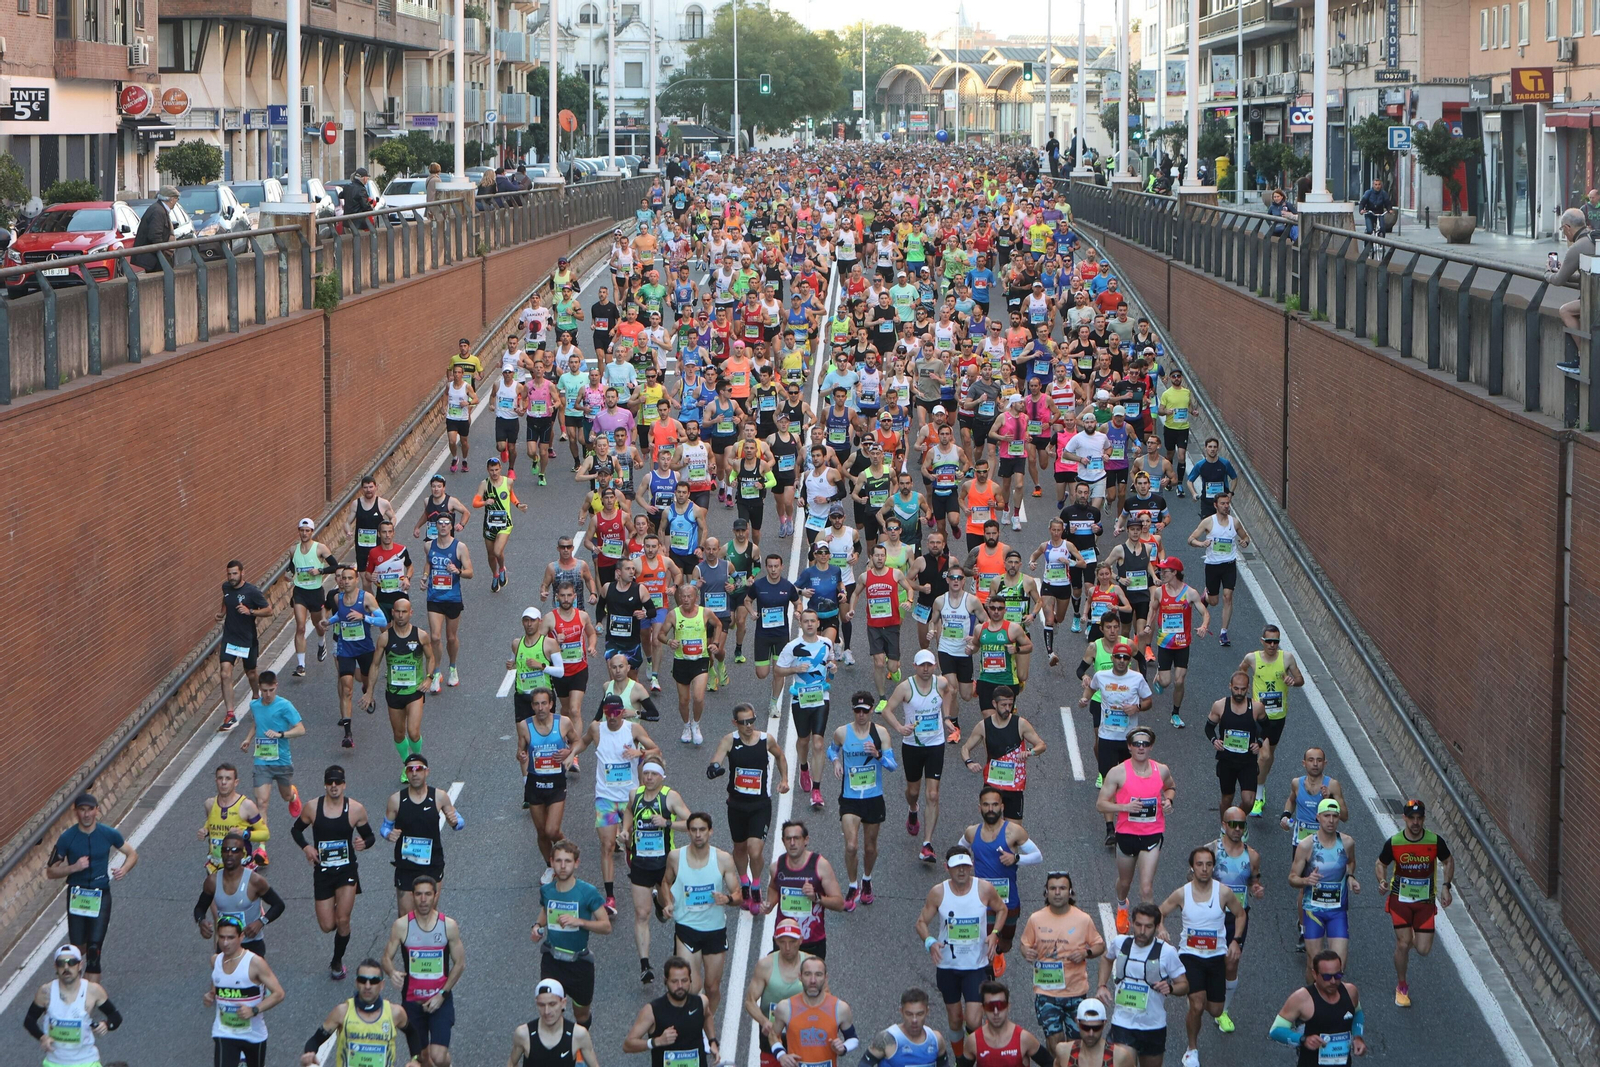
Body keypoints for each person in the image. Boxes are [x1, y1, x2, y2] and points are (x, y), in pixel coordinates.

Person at [1155, 847, 1247, 1067]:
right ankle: (1191, 1049)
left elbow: (1240, 914)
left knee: (1214, 1009)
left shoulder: (1223, 892)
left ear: (1213, 867)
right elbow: (1160, 912)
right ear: (1192, 867)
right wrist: (1161, 927)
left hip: (1216, 957)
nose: (1204, 869)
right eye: (1199, 864)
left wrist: (1236, 941)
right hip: (1190, 955)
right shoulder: (1182, 893)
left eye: (1208, 864)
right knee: (1196, 1005)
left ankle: (1210, 1007)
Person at [291, 764, 376, 979]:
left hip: (346, 870)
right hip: (323, 872)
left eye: (338, 782)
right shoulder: (312, 808)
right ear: (325, 785)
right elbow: (296, 830)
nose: (334, 786)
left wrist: (364, 843)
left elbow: (370, 836)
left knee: (343, 920)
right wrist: (307, 847)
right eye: (330, 782)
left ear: (344, 785)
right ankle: (336, 907)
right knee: (327, 925)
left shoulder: (356, 809)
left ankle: (337, 961)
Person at [46, 794, 138, 985]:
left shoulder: (108, 833)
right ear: (76, 812)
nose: (86, 814)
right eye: (82, 810)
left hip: (100, 894)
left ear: (97, 810)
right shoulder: (67, 838)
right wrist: (74, 868)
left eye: (90, 809)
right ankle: (75, 988)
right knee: (78, 950)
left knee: (94, 950)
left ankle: (87, 998)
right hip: (77, 895)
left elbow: (131, 853)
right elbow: (50, 871)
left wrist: (124, 869)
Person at [916, 845, 1009, 1034]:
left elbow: (1002, 909)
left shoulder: (984, 889)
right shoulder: (938, 892)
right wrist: (930, 942)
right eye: (957, 867)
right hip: (947, 966)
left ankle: (974, 1054)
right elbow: (921, 923)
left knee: (974, 1021)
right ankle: (961, 1059)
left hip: (976, 965)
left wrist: (995, 933)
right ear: (946, 867)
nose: (961, 871)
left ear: (971, 866)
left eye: (965, 866)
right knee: (956, 1020)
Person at [707, 702, 790, 912]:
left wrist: (785, 779)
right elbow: (715, 760)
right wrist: (714, 769)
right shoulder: (729, 740)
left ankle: (755, 886)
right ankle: (744, 883)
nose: (749, 726)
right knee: (740, 848)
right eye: (744, 722)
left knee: (755, 849)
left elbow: (780, 756)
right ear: (735, 723)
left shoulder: (765, 740)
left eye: (752, 720)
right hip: (736, 804)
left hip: (760, 804)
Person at [661, 811, 742, 1020]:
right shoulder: (676, 857)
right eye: (694, 830)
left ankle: (707, 1021)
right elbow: (665, 882)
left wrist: (728, 899)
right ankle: (690, 1024)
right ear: (688, 832)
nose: (698, 834)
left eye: (702, 830)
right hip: (686, 929)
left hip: (714, 929)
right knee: (692, 985)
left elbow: (738, 894)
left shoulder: (723, 859)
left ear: (710, 831)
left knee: (712, 987)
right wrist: (669, 902)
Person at [1374, 799, 1453, 1008]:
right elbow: (1380, 863)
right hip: (1400, 900)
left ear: (1424, 819)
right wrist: (1382, 881)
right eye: (1412, 819)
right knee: (1402, 943)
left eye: (1419, 818)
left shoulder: (1435, 841)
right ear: (1405, 819)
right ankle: (1402, 987)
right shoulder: (1395, 842)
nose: (1416, 823)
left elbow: (1448, 860)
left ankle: (1412, 935)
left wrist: (1446, 886)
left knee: (1423, 950)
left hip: (1425, 901)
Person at [1096, 727, 1175, 935]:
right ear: (1129, 747)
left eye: (1145, 744)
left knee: (1146, 887)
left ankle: (1156, 926)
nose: (1141, 747)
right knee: (1124, 882)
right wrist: (1124, 808)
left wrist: (1168, 801)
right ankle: (1122, 905)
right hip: (1127, 835)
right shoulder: (1118, 772)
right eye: (1137, 744)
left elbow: (1170, 788)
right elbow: (1101, 805)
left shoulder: (1162, 770)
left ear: (1151, 747)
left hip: (1152, 833)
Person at [879, 650, 957, 863]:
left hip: (935, 744)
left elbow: (950, 691)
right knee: (913, 791)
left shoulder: (940, 683)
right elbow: (887, 710)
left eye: (929, 665)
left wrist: (947, 717)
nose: (925, 669)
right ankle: (913, 809)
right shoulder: (905, 687)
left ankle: (927, 844)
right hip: (912, 745)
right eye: (922, 665)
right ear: (914, 666)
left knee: (932, 794)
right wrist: (899, 727)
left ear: (934, 666)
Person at [381, 875, 465, 1067]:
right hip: (412, 1002)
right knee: (423, 1058)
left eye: (428, 894)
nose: (423, 899)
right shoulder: (402, 925)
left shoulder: (448, 926)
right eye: (419, 894)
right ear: (413, 896)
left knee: (439, 1056)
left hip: (439, 1001)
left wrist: (442, 995)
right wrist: (392, 972)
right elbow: (386, 957)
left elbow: (459, 963)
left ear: (435, 896)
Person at [1018, 871, 1105, 1052]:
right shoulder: (1036, 919)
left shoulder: (1082, 919)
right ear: (1046, 892)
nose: (1057, 893)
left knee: (1075, 1046)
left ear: (1070, 892)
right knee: (1055, 1043)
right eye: (1053, 888)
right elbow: (1024, 944)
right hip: (1046, 992)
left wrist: (1085, 953)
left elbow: (1099, 945)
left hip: (1075, 992)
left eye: (1062, 888)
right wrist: (1027, 952)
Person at [962, 787, 1044, 977]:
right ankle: (985, 974)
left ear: (1002, 807)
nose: (990, 809)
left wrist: (1016, 859)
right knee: (984, 941)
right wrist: (962, 864)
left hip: (1009, 901)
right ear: (980, 808)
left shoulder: (1013, 831)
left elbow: (1037, 856)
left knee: (1006, 941)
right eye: (986, 805)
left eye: (995, 804)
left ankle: (999, 952)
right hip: (982, 902)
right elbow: (959, 850)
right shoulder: (972, 832)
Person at [621, 759, 690, 984]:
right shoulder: (635, 794)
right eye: (646, 773)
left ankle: (660, 903)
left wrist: (667, 823)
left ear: (662, 776)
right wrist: (624, 830)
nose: (649, 777)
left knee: (667, 907)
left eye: (653, 774)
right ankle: (645, 965)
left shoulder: (670, 797)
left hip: (664, 864)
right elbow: (629, 812)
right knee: (642, 914)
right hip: (640, 862)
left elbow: (691, 822)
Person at [530, 840, 612, 1026]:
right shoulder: (547, 890)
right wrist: (536, 926)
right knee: (550, 1010)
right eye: (558, 861)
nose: (563, 866)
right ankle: (558, 1049)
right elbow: (545, 910)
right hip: (551, 960)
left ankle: (581, 1048)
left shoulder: (588, 892)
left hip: (579, 964)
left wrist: (580, 922)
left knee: (581, 1015)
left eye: (568, 861)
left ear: (576, 863)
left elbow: (606, 926)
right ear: (551, 862)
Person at [829, 694, 899, 908]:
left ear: (871, 711)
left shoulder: (881, 733)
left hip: (873, 797)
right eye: (857, 710)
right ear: (853, 710)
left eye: (865, 711)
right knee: (851, 846)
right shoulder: (842, 732)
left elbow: (892, 765)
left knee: (870, 847)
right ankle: (852, 885)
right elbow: (832, 750)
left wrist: (877, 755)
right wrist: (836, 762)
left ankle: (866, 880)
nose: (861, 715)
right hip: (850, 798)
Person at [1096, 903, 1187, 1067]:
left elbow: (1184, 985)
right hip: (1122, 1023)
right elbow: (1106, 958)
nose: (1142, 931)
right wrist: (1101, 985)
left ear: (1156, 927)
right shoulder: (1120, 943)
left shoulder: (1167, 952)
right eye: (1138, 925)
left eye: (1148, 926)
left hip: (1153, 1026)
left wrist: (1171, 988)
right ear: (1132, 923)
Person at [1289, 799, 1360, 982]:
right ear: (1318, 817)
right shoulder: (1306, 846)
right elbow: (1292, 878)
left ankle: (1332, 1005)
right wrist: (1306, 880)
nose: (1331, 820)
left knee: (1339, 966)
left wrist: (1350, 876)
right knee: (1315, 964)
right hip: (1313, 911)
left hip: (1337, 912)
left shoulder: (1347, 842)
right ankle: (1312, 999)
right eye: (1327, 816)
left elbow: (1350, 862)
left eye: (1335, 816)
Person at [384, 755, 463, 917]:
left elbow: (458, 821)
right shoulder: (396, 800)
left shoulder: (439, 796)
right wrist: (388, 834)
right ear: (406, 773)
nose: (414, 773)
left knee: (427, 913)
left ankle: (428, 942)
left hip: (432, 862)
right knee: (406, 916)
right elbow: (385, 827)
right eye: (410, 770)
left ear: (427, 772)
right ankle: (407, 943)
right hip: (406, 864)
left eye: (418, 769)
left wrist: (454, 822)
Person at [1237, 625, 1304, 817]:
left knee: (1268, 755)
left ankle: (1261, 783)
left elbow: (1300, 679)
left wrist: (1293, 681)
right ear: (1262, 641)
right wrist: (1246, 693)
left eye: (1276, 641)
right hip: (1259, 715)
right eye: (1269, 641)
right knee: (1264, 755)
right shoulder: (1252, 658)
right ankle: (1257, 796)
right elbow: (1240, 673)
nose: (1273, 645)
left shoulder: (1287, 658)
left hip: (1278, 716)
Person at [300, 961, 420, 1067]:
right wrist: (310, 1053)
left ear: (382, 985)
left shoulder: (395, 1013)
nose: (367, 986)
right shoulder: (342, 1012)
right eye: (363, 980)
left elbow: (412, 1033)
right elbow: (315, 1040)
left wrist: (415, 1060)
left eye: (373, 981)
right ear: (357, 983)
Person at [203, 916, 285, 1067]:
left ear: (241, 937)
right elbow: (218, 983)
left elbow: (278, 993)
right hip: (224, 1032)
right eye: (222, 937)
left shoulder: (255, 963)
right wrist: (211, 995)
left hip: (253, 1034)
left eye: (231, 937)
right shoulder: (215, 960)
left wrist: (254, 1010)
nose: (225, 943)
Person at [366, 597, 435, 774]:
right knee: (398, 734)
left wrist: (429, 678)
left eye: (404, 612)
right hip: (394, 693)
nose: (401, 615)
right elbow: (375, 665)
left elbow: (430, 657)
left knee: (412, 732)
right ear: (392, 613)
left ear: (411, 613)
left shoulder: (421, 635)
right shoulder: (384, 638)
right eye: (397, 611)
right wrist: (369, 692)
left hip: (415, 692)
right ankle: (407, 764)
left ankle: (417, 762)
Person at [24, 944, 122, 1067]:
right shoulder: (46, 992)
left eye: (71, 962)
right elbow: (29, 1020)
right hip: (55, 1063)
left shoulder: (93, 991)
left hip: (86, 1061)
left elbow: (115, 1016)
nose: (66, 967)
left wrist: (106, 1025)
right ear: (56, 967)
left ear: (80, 965)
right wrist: (42, 1037)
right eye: (61, 963)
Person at [1209, 808, 1263, 1032]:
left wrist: (1257, 888)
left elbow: (1254, 880)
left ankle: (1223, 1011)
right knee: (1210, 962)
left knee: (1231, 962)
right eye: (1233, 824)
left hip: (1238, 916)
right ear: (1224, 824)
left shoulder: (1252, 855)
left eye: (1242, 825)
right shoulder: (1211, 850)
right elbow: (1192, 878)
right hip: (1212, 916)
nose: (1238, 829)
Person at [194, 830, 286, 959]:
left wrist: (260, 922)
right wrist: (201, 921)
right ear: (221, 853)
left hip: (252, 945)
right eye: (226, 850)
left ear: (242, 854)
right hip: (225, 946)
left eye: (234, 850)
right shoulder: (212, 881)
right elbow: (199, 908)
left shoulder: (255, 881)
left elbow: (278, 905)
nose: (230, 854)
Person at [1267, 951, 1368, 1067]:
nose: (1333, 981)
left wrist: (1357, 1036)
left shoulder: (1350, 992)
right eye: (1327, 977)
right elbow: (1275, 1030)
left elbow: (1357, 1013)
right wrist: (1302, 1039)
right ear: (1315, 974)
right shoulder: (1302, 998)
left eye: (1338, 975)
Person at [960, 688, 1047, 820]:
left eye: (1010, 705)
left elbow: (1041, 745)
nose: (1007, 709)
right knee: (991, 827)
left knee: (1013, 832)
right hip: (992, 784)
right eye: (1003, 705)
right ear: (994, 704)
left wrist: (1030, 752)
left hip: (1014, 786)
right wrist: (969, 762)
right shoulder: (984, 726)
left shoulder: (1020, 724)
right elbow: (965, 748)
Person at [622, 956, 719, 1067]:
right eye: (674, 981)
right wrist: (656, 1042)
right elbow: (628, 1044)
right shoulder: (652, 1010)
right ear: (665, 981)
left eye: (684, 980)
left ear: (690, 980)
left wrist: (712, 1041)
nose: (680, 986)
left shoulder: (701, 1002)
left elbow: (707, 1016)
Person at [744, 918, 814, 1067]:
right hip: (772, 1031)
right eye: (782, 942)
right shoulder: (766, 965)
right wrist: (764, 1022)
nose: (787, 947)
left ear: (801, 940)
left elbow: (825, 1000)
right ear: (776, 941)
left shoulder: (811, 965)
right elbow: (750, 1001)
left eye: (792, 942)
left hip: (803, 1033)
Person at [768, 957, 856, 1067]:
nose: (813, 980)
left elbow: (852, 1038)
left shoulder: (840, 1008)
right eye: (807, 974)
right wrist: (781, 1055)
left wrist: (843, 1048)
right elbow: (773, 1035)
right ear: (800, 977)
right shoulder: (785, 1007)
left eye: (818, 974)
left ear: (825, 978)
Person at [1185, 493, 1248, 647]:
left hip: (1229, 565)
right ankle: (1206, 596)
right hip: (1212, 566)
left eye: (1228, 503)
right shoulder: (1208, 522)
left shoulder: (1235, 522)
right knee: (1214, 602)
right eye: (1223, 503)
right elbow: (1190, 539)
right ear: (1216, 505)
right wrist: (1201, 544)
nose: (1226, 506)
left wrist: (1244, 542)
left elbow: (1245, 537)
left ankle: (1224, 632)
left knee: (1228, 596)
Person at [217, 559, 271, 730]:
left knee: (251, 673)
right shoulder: (226, 587)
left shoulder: (252, 592)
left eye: (235, 573)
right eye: (229, 574)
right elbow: (226, 600)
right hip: (229, 638)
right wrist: (221, 614)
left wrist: (251, 612)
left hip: (247, 639)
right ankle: (230, 714)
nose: (231, 577)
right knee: (225, 673)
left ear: (242, 573)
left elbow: (269, 610)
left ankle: (256, 697)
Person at [1205, 672, 1265, 824]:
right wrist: (1214, 741)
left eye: (1243, 689)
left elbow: (1267, 728)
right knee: (1227, 798)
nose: (1239, 693)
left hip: (1248, 761)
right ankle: (1225, 828)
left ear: (1248, 688)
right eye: (1236, 689)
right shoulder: (1220, 705)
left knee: (1249, 801)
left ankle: (1236, 820)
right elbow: (1208, 728)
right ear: (1230, 686)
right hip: (1227, 761)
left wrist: (1259, 742)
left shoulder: (1256, 707)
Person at [505, 978, 600, 1067]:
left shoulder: (579, 1035)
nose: (547, 1011)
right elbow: (512, 1063)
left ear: (563, 1003)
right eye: (542, 1005)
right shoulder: (523, 1034)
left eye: (552, 1004)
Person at [956, 980, 1051, 1067]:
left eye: (1000, 1005)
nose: (996, 1012)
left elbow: (1049, 1063)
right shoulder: (974, 1041)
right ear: (983, 1009)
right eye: (990, 1006)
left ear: (1008, 1007)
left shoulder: (1024, 1038)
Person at [855, 987, 952, 1067]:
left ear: (927, 1012)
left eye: (919, 1014)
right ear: (901, 1012)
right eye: (909, 1014)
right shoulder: (887, 1039)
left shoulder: (936, 1040)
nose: (914, 1020)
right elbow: (864, 1064)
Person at [1548, 207, 1595, 348]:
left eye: (1562, 229)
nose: (1563, 232)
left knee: (1565, 310)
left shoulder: (1577, 247)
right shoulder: (1593, 237)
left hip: (1595, 299)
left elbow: (1558, 280)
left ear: (1568, 228)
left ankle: (1584, 353)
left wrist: (1548, 273)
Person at [1056, 999, 1136, 1067]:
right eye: (1086, 1027)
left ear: (1104, 1023)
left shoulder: (1120, 1057)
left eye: (1096, 1028)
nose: (1091, 1033)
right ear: (1077, 1022)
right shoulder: (1063, 1051)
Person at [131, 185, 178, 272]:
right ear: (171, 199)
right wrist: (163, 253)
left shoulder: (159, 209)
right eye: (176, 199)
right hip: (154, 259)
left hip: (154, 257)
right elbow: (154, 235)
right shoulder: (158, 211)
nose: (176, 202)